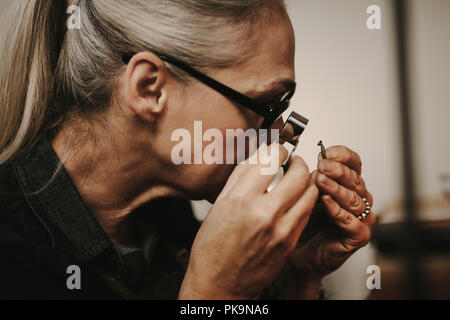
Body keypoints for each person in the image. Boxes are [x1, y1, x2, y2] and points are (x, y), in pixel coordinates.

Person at [0, 0, 375, 299]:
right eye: (266, 106)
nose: (277, 134)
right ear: (150, 88)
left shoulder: (167, 218)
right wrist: (213, 292)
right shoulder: (14, 255)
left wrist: (294, 274)